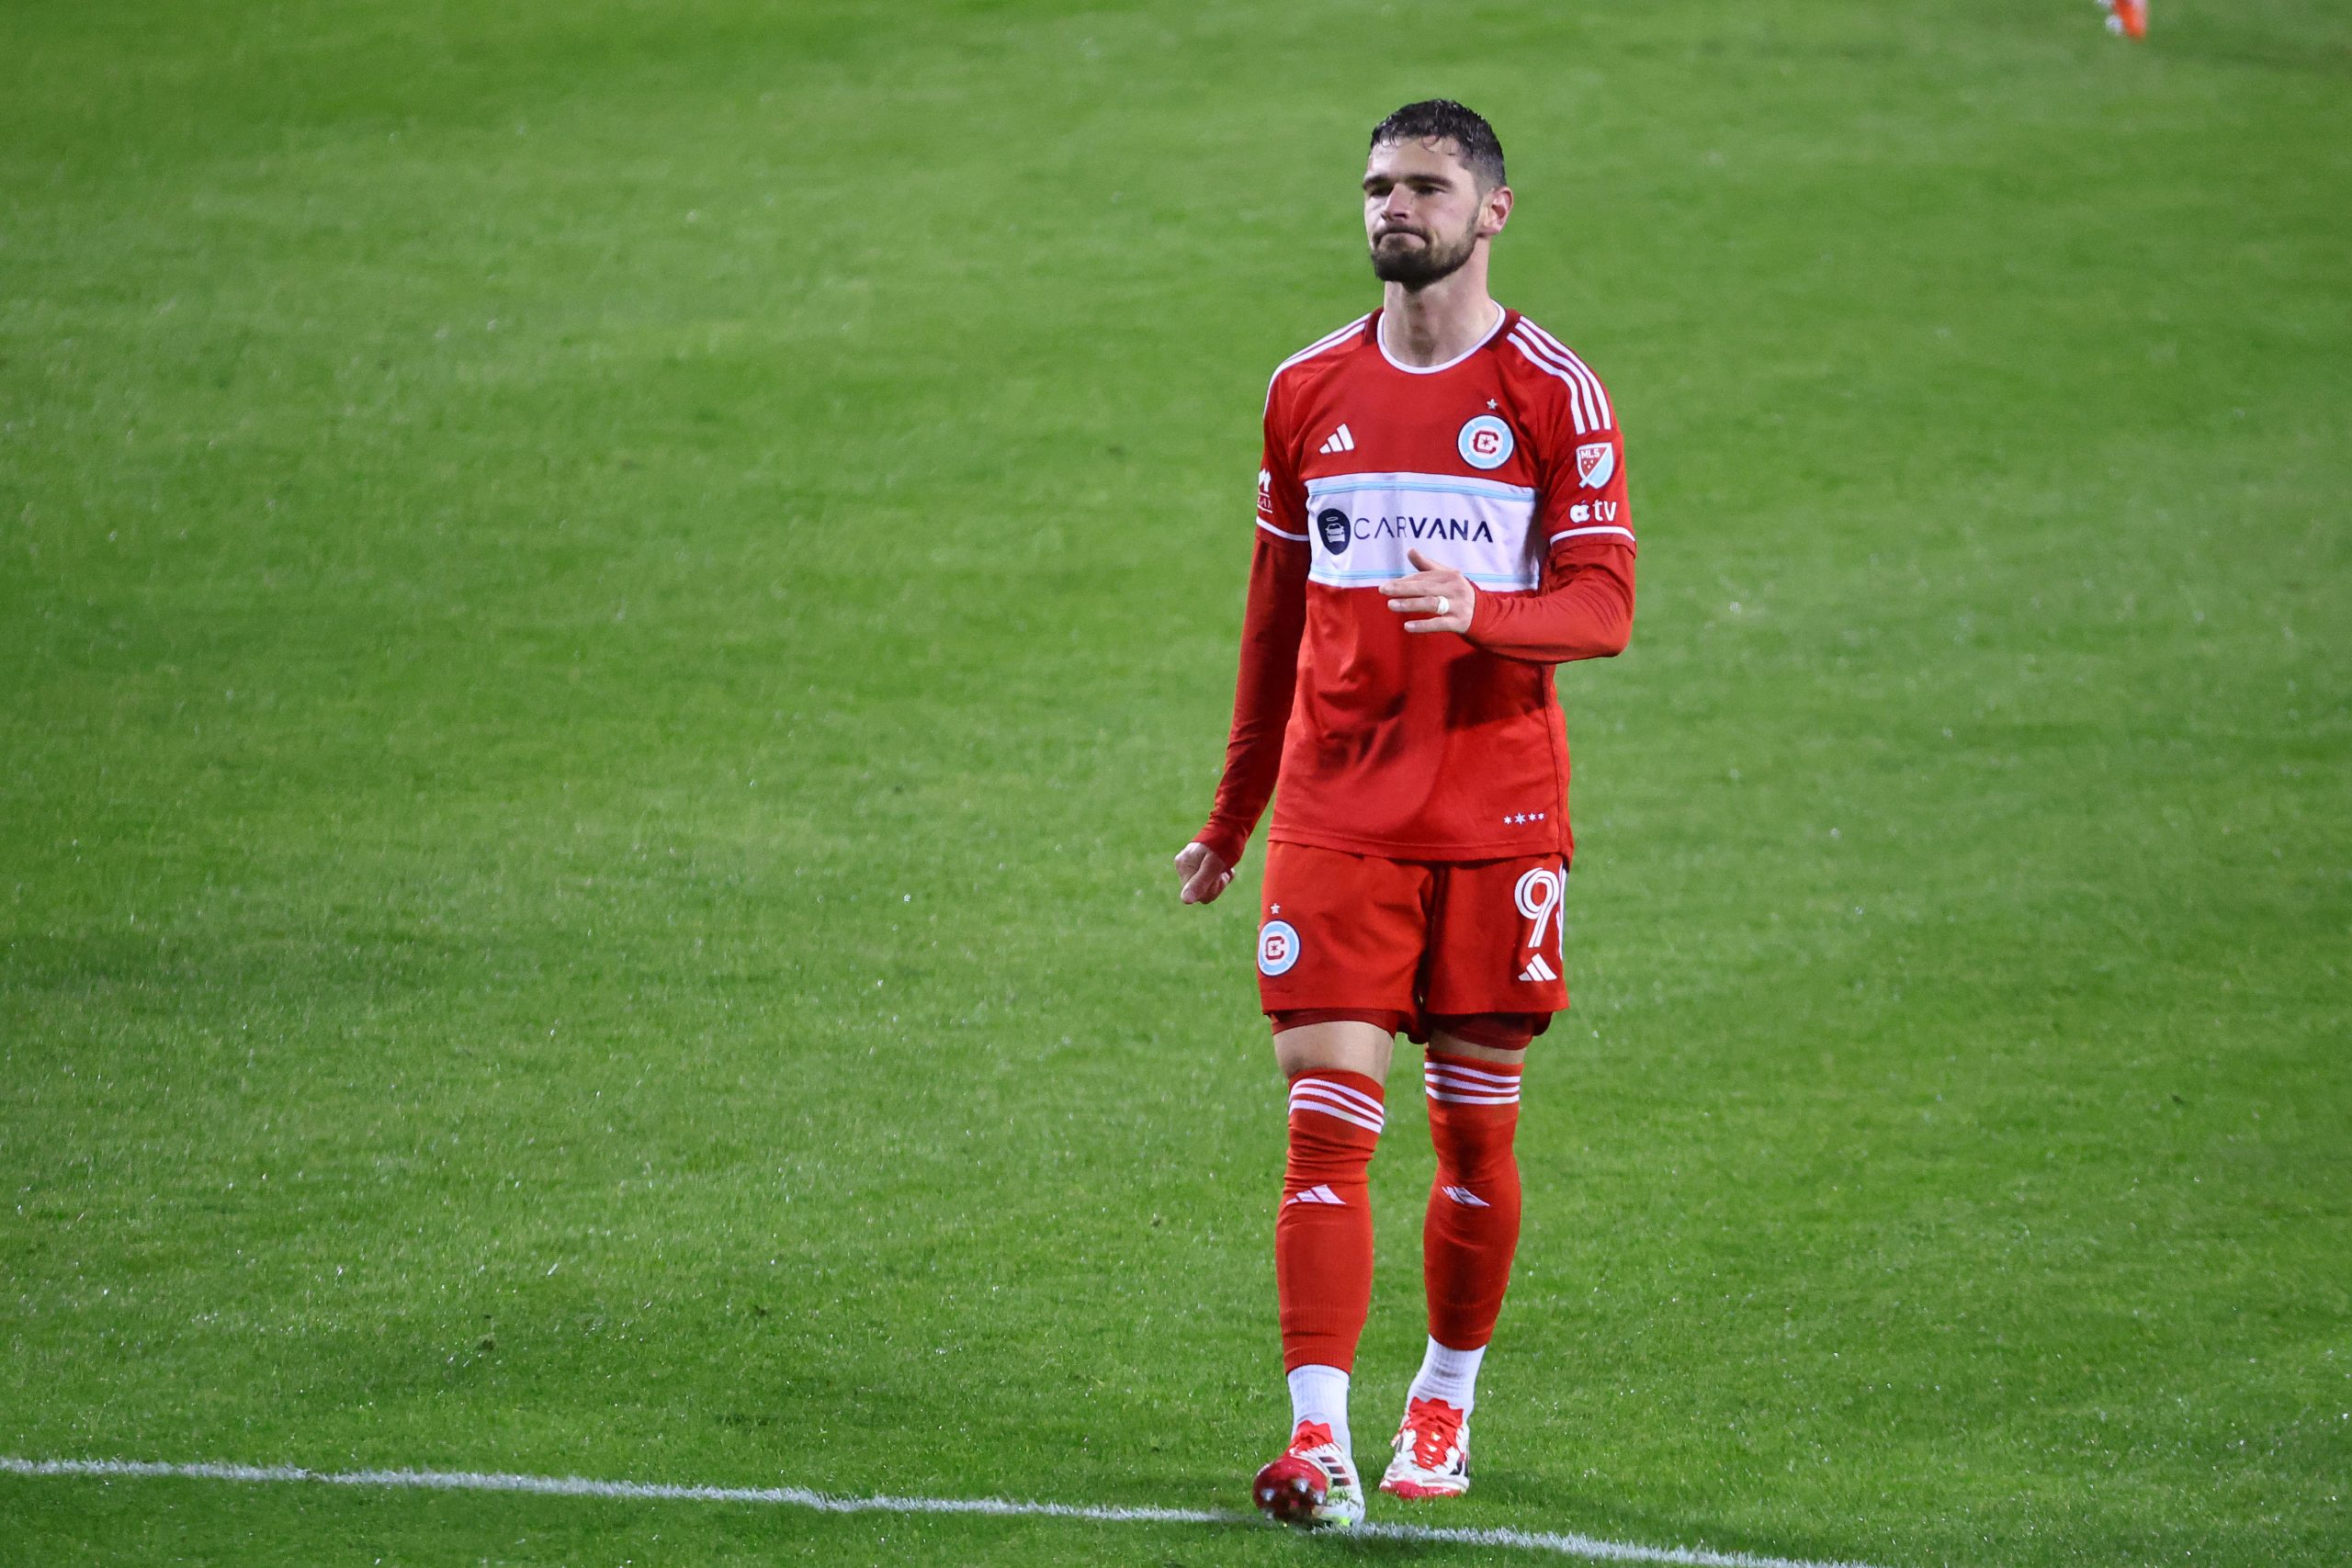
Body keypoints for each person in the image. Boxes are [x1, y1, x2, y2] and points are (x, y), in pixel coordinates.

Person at [1171, 99, 1637, 1529]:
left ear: (1492, 210)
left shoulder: (1558, 393)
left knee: (1475, 1137)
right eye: (1378, 185)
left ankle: (1446, 1393)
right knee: (1326, 1126)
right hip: (1335, 815)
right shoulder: (1305, 389)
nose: (1395, 207)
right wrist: (1233, 815)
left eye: (1426, 186)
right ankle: (1318, 1441)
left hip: (1496, 820)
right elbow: (1269, 623)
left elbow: (1605, 610)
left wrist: (1481, 612)